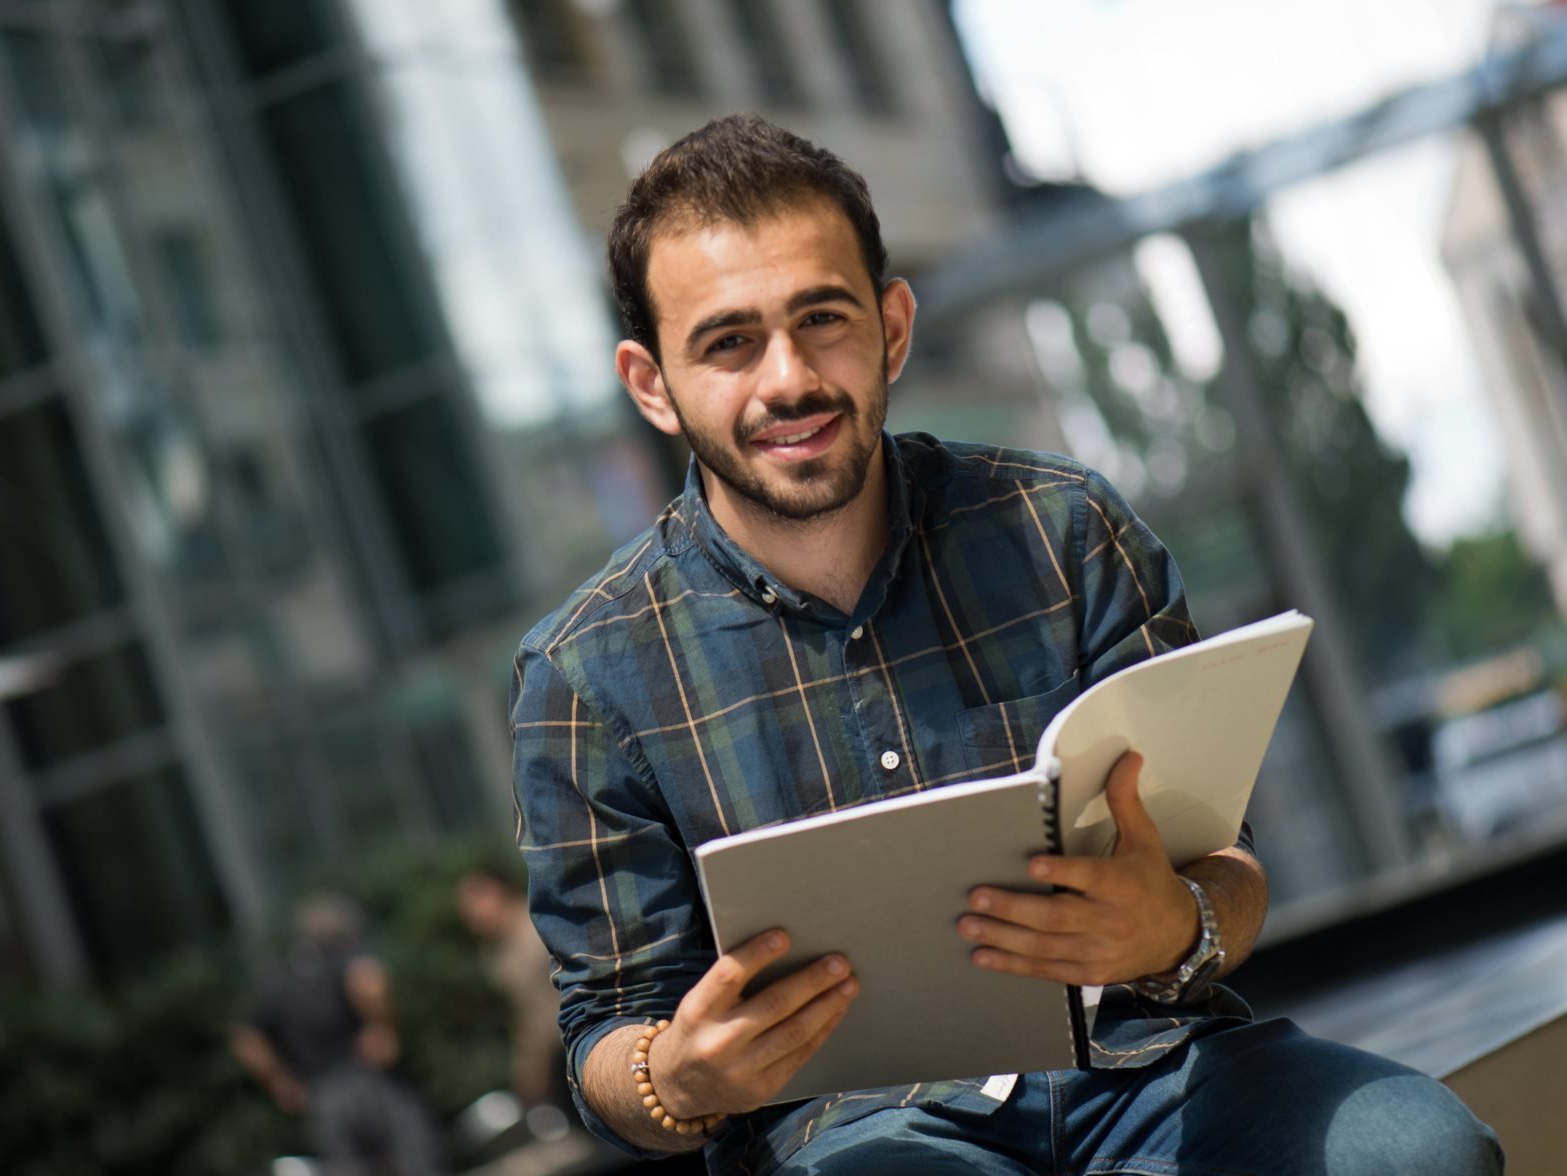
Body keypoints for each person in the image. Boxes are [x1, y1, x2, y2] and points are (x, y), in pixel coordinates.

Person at [510, 114, 1504, 1175]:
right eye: (728, 342)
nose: (788, 378)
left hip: (1150, 1073)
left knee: (1423, 1152)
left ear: (893, 326)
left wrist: (1174, 924)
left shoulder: (1062, 529)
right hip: (856, 1137)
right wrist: (681, 1077)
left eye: (823, 319)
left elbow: (1228, 871)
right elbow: (604, 1037)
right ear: (650, 382)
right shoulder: (583, 679)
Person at [230, 894, 444, 1176]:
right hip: (369, 1075)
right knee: (416, 1156)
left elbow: (245, 1037)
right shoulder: (343, 954)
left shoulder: (279, 979)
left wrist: (278, 1078)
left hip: (322, 1095)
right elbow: (370, 982)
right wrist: (382, 1028)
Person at [455, 861, 566, 1112]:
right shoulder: (494, 955)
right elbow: (524, 1018)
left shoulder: (541, 923)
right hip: (555, 1056)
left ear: (495, 891)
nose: (469, 915)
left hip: (587, 1035)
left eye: (473, 901)